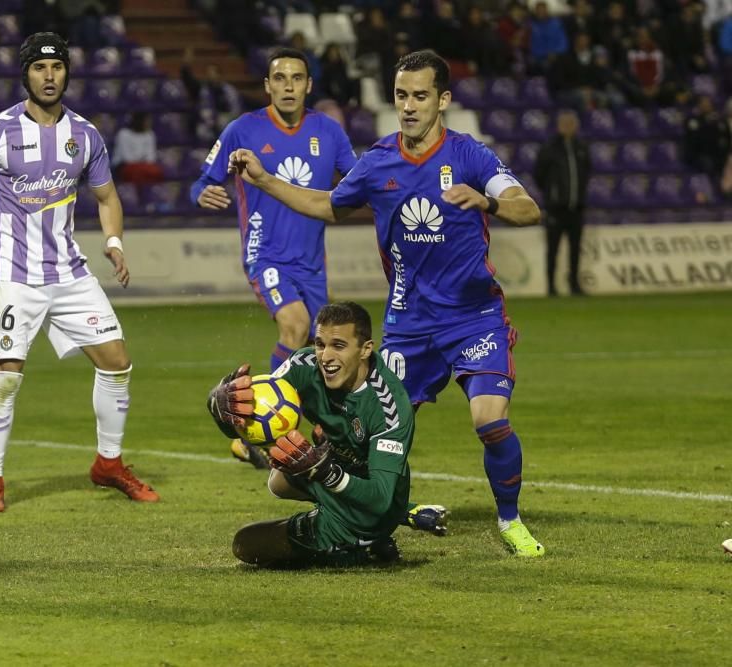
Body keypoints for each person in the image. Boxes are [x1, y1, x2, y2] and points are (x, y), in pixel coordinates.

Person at [228, 50, 546, 557]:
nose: (409, 106)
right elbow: (326, 205)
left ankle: (509, 520)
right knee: (370, 433)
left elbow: (528, 209)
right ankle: (382, 512)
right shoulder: (378, 162)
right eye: (401, 95)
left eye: (421, 95)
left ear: (443, 100)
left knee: (490, 420)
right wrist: (264, 181)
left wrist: (487, 201)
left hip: (474, 316)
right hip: (408, 324)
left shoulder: (470, 156)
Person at [0, 32, 159, 511]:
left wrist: (114, 242)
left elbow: (107, 198)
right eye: (40, 68)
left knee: (117, 362)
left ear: (67, 73)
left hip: (69, 271)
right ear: (25, 74)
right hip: (14, 274)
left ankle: (109, 465)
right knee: (7, 377)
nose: (49, 76)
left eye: (57, 67)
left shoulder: (86, 135)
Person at [189, 47, 357, 469]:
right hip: (264, 254)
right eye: (279, 79)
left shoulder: (329, 132)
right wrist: (202, 192)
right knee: (296, 325)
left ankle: (321, 434)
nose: (288, 86)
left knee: (331, 350)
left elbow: (358, 181)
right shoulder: (242, 130)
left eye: (296, 78)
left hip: (312, 263)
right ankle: (265, 428)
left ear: (308, 85)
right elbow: (201, 180)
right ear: (267, 85)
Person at [207, 301, 447, 568]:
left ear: (366, 349)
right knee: (278, 481)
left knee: (246, 544)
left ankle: (359, 546)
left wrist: (326, 474)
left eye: (339, 346)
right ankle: (360, 535)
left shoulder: (390, 406)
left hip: (373, 503)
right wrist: (220, 408)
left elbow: (380, 498)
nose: (325, 356)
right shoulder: (304, 365)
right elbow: (255, 420)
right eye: (320, 344)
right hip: (332, 471)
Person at [534, 110, 591, 297]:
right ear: (558, 126)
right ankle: (551, 286)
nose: (568, 127)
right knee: (553, 249)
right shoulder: (550, 148)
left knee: (575, 249)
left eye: (571, 124)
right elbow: (539, 174)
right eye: (565, 124)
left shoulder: (581, 147)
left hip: (576, 208)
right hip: (556, 208)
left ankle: (574, 284)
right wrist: (552, 194)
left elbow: (587, 172)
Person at [111, 112, 164, 186]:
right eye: (147, 121)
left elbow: (151, 158)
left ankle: (147, 194)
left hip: (143, 166)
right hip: (123, 165)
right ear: (140, 121)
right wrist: (141, 160)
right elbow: (127, 158)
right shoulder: (123, 134)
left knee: (156, 172)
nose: (149, 124)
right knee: (136, 173)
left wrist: (142, 163)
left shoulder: (150, 134)